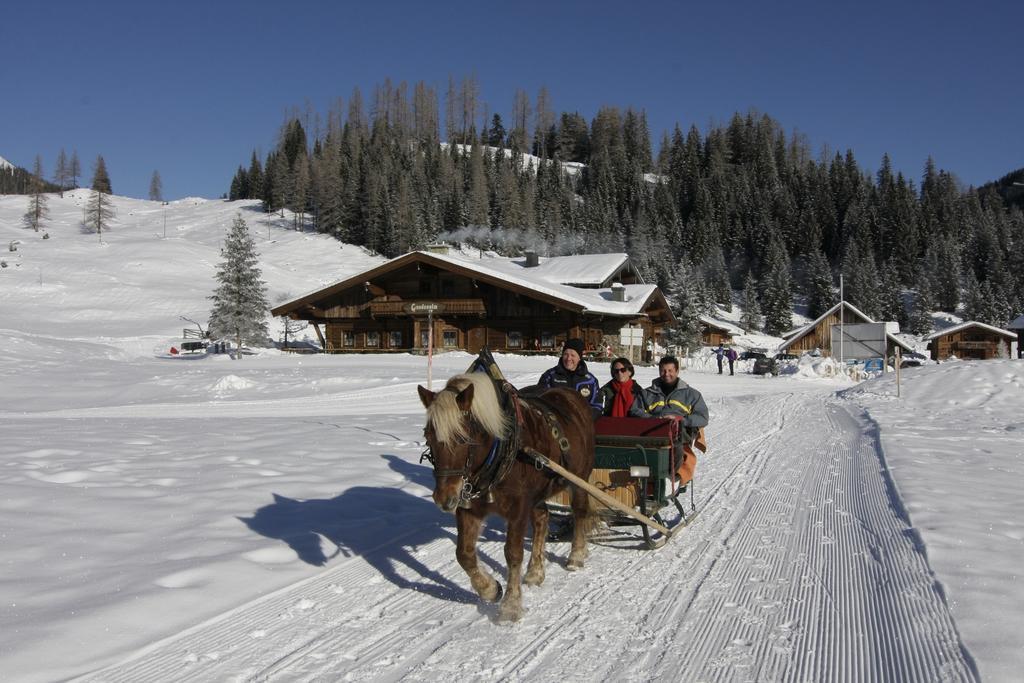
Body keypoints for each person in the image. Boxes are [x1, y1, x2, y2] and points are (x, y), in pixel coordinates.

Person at [643, 355, 709, 486]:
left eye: (670, 370)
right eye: (663, 370)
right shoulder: (647, 393)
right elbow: (635, 411)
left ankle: (669, 477)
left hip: (678, 435)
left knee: (676, 447)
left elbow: (703, 418)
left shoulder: (691, 395)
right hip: (650, 433)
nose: (666, 374)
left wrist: (682, 419)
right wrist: (653, 419)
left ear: (677, 371)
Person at [538, 338, 602, 418]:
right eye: (566, 354)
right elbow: (540, 401)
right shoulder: (549, 376)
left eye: (573, 355)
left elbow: (597, 405)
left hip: (582, 426)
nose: (568, 358)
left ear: (579, 357)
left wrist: (586, 419)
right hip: (557, 425)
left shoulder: (590, 380)